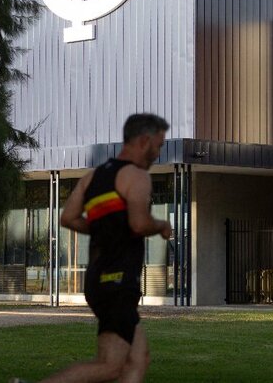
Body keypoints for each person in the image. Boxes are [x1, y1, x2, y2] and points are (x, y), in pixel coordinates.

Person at [30, 113, 172, 383]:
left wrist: (105, 229)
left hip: (98, 280)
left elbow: (68, 218)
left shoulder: (93, 177)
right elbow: (140, 223)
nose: (158, 152)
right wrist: (162, 225)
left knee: (138, 359)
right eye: (159, 144)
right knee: (111, 366)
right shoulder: (136, 176)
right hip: (117, 281)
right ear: (145, 140)